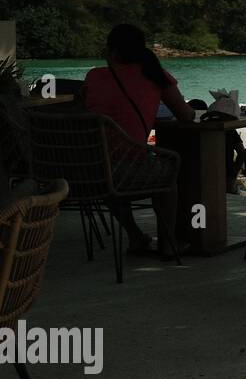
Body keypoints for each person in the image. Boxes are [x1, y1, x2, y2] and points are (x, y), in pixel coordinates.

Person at [80, 24, 194, 257]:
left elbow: (82, 106)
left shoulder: (94, 76)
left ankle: (135, 236)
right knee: (168, 173)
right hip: (129, 169)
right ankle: (168, 243)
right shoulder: (155, 75)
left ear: (111, 51)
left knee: (111, 178)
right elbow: (186, 115)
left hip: (89, 171)